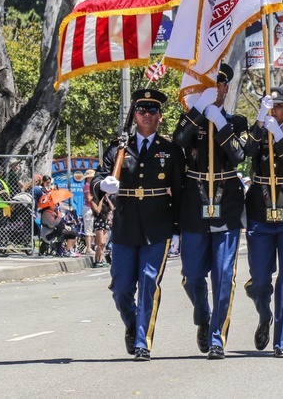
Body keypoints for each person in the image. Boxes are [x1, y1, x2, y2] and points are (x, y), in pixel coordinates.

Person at [93, 89, 184, 362]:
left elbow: (179, 191)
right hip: (125, 224)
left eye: (152, 110)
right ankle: (132, 323)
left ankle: (143, 341)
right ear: (135, 115)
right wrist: (102, 184)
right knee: (121, 287)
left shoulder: (170, 150)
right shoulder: (120, 147)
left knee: (148, 283)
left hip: (158, 226)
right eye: (142, 110)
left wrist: (178, 230)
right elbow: (98, 177)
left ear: (160, 116)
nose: (147, 115)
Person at [172, 63, 248, 360]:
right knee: (191, 275)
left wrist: (219, 122)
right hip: (195, 204)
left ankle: (217, 336)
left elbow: (238, 155)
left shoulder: (236, 122)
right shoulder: (191, 120)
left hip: (226, 204)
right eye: (209, 84)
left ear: (226, 88)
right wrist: (199, 111)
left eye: (219, 84)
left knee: (223, 274)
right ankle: (203, 317)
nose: (215, 88)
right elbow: (179, 140)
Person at [242, 85, 283, 358]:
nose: (275, 110)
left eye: (279, 106)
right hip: (260, 209)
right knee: (259, 279)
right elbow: (246, 151)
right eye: (270, 105)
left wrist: (278, 133)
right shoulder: (257, 129)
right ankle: (264, 314)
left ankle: (281, 338)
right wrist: (260, 121)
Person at [89, 169, 113, 268]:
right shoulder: (93, 200)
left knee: (104, 243)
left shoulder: (105, 201)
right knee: (100, 242)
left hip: (104, 221)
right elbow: (98, 210)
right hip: (98, 221)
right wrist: (101, 199)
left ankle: (101, 259)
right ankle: (96, 260)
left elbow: (112, 208)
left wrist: (107, 199)